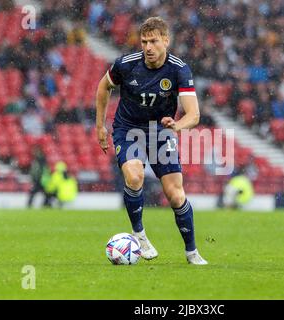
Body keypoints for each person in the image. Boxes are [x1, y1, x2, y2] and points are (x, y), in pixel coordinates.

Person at [95, 17, 207, 264]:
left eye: (154, 41)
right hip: (129, 128)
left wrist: (176, 126)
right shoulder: (126, 65)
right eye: (144, 41)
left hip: (161, 132)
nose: (148, 47)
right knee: (134, 176)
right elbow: (103, 87)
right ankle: (139, 235)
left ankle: (192, 252)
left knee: (176, 196)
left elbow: (194, 114)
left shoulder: (179, 70)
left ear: (166, 40)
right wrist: (100, 125)